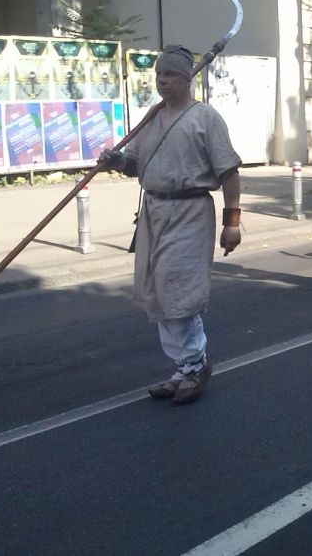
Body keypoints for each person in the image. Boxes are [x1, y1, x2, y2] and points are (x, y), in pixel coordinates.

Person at [98, 45, 242, 404]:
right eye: (158, 74)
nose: (162, 81)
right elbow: (135, 165)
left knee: (178, 289)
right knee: (158, 292)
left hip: (190, 212)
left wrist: (232, 222)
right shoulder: (152, 116)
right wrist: (116, 161)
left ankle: (196, 365)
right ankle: (184, 366)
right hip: (153, 212)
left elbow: (229, 172)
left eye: (169, 74)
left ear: (187, 77)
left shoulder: (204, 118)